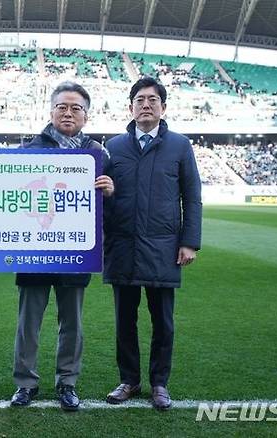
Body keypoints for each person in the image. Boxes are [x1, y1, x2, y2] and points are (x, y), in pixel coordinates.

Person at [10, 82, 114, 411]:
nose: (68, 113)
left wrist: (110, 192)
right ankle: (25, 384)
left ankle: (67, 382)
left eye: (76, 108)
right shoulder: (28, 150)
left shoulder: (99, 154)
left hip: (76, 253)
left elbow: (108, 212)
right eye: (62, 107)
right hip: (35, 251)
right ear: (51, 110)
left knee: (73, 323)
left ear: (86, 114)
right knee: (29, 323)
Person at [103, 76, 202, 410]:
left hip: (162, 248)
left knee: (163, 322)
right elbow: (104, 197)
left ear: (163, 106)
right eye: (140, 100)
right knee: (124, 321)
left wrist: (189, 242)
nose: (146, 105)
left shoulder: (180, 145)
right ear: (130, 107)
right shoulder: (113, 147)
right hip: (123, 248)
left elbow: (192, 197)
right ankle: (129, 380)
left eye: (152, 99)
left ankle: (160, 383)